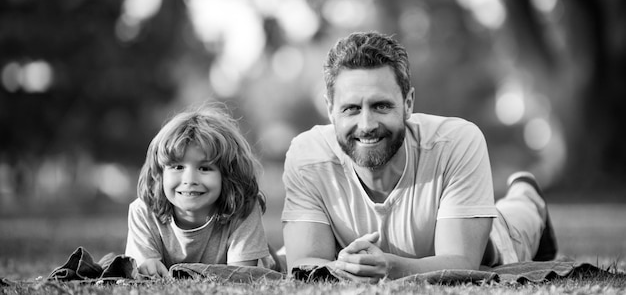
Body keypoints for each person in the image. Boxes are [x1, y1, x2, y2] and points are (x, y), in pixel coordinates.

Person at [281, 31, 557, 282]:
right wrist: (348, 267)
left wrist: (390, 268)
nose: (366, 124)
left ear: (408, 104)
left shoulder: (455, 142)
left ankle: (528, 198)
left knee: (519, 220)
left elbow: (462, 262)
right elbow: (303, 263)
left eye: (381, 106)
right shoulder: (308, 156)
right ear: (330, 110)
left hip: (492, 241)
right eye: (351, 108)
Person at [125, 105, 274, 277]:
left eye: (204, 168)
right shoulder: (143, 211)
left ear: (227, 175)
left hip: (267, 261)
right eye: (177, 166)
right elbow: (143, 273)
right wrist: (148, 265)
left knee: (279, 262)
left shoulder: (242, 208)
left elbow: (240, 276)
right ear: (160, 173)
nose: (190, 180)